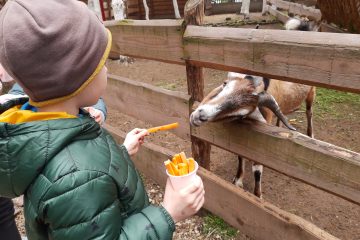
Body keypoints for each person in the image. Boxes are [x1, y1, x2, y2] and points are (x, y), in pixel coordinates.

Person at [0, 1, 205, 240]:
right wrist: (169, 212)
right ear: (76, 78)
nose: (107, 70)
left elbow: (83, 169)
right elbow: (81, 176)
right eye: (101, 64)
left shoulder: (51, 124)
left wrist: (122, 152)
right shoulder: (76, 178)